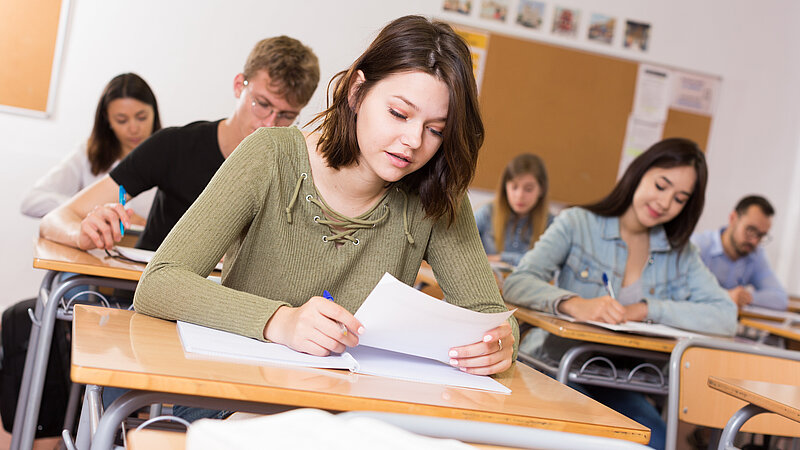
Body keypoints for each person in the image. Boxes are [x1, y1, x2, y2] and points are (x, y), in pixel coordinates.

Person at [133, 15, 518, 381]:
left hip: (349, 406)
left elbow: (492, 315)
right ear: (357, 92)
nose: (414, 142)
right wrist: (280, 321)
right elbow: (160, 283)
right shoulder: (269, 155)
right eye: (399, 114)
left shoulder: (434, 192)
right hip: (235, 387)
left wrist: (501, 343)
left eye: (435, 130)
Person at [503, 138, 737, 450]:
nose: (665, 202)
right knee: (591, 436)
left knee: (656, 440)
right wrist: (574, 304)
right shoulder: (578, 223)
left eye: (680, 198)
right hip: (558, 364)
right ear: (639, 173)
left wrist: (645, 308)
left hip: (624, 376)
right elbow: (518, 282)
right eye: (661, 185)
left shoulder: (681, 254)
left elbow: (725, 316)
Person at [39, 36, 320, 251]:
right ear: (239, 85)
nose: (269, 125)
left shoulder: (294, 172)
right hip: (144, 305)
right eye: (262, 104)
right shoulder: (175, 147)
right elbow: (56, 218)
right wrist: (82, 233)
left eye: (286, 115)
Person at [21, 73, 161, 221]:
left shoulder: (169, 158)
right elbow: (31, 201)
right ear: (107, 119)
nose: (133, 128)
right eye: (122, 120)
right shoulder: (89, 154)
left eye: (142, 117)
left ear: (154, 113)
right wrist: (85, 209)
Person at [691, 195, 788, 310]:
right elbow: (680, 290)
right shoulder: (697, 246)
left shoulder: (756, 254)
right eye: (750, 230)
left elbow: (780, 298)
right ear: (733, 218)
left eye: (761, 235)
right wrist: (725, 296)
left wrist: (746, 297)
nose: (755, 241)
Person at [474, 153, 550, 266]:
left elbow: (546, 263)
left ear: (541, 190)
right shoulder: (487, 213)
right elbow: (459, 246)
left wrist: (501, 258)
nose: (519, 196)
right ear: (505, 187)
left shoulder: (552, 224)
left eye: (528, 189)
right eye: (514, 187)